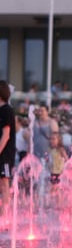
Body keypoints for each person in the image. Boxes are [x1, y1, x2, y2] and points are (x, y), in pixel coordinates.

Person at [0, 81, 15, 217]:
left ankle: (5, 216)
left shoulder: (6, 110)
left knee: (4, 183)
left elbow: (6, 135)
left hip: (4, 154)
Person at [47, 132, 68, 199]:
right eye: (50, 139)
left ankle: (58, 205)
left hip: (59, 173)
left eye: (53, 139)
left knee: (56, 189)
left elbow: (66, 159)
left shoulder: (60, 149)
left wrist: (65, 167)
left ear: (59, 140)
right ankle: (54, 204)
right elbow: (49, 160)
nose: (51, 141)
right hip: (53, 172)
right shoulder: (51, 150)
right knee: (53, 189)